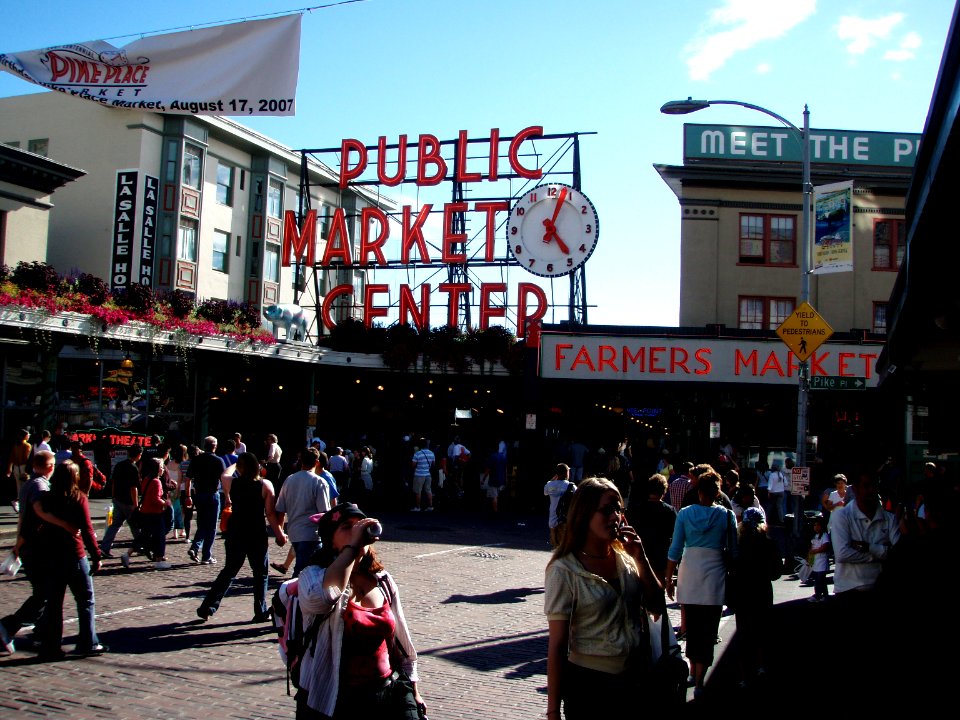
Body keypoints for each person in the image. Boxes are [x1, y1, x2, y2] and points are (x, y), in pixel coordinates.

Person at [544, 477, 663, 719]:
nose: (615, 517)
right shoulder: (564, 569)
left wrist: (641, 559)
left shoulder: (626, 560)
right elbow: (557, 645)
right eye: (606, 510)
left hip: (635, 680)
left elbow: (656, 605)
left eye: (619, 509)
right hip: (591, 686)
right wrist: (553, 710)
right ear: (585, 515)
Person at [295, 503, 425, 719]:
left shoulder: (381, 579)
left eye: (360, 526)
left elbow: (401, 640)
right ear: (330, 540)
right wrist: (352, 549)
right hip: (336, 698)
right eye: (347, 527)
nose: (357, 532)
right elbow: (323, 598)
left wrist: (414, 690)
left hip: (388, 689)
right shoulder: (312, 575)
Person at [664, 471, 737, 698]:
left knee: (692, 627)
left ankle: (693, 670)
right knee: (708, 629)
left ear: (698, 491)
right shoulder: (726, 516)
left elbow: (675, 549)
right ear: (717, 493)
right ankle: (700, 679)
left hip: (690, 571)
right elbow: (734, 550)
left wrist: (668, 578)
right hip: (714, 573)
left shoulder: (685, 514)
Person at [197, 453, 287, 622]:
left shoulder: (233, 482)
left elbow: (224, 475)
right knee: (260, 573)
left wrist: (234, 465)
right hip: (256, 532)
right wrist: (279, 533)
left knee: (229, 571)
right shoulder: (265, 485)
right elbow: (270, 513)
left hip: (236, 531)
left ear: (240, 468)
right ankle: (259, 611)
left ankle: (207, 606)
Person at [37, 460, 105, 659]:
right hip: (74, 554)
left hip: (52, 554)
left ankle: (51, 645)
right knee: (85, 599)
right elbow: (87, 529)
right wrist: (96, 555)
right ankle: (87, 642)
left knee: (54, 603)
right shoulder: (78, 498)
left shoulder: (47, 498)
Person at [0, 450, 57, 655]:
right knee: (43, 592)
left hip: (28, 545)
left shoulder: (28, 485)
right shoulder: (40, 487)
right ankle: (9, 625)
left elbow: (24, 519)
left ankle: (41, 632)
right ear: (50, 467)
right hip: (36, 547)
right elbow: (36, 519)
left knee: (45, 591)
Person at [730, 507, 782, 686]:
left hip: (742, 591)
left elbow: (731, 567)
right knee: (763, 630)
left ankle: (744, 675)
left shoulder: (737, 544)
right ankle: (762, 667)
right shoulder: (769, 543)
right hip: (762, 590)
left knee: (743, 633)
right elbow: (776, 573)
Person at [830, 471, 899, 595]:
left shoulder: (890, 519)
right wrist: (878, 554)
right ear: (855, 489)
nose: (871, 490)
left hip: (880, 587)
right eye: (866, 486)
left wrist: (867, 547)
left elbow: (898, 554)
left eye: (874, 486)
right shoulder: (841, 516)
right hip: (848, 589)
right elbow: (842, 554)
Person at [275, 447, 331, 577]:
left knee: (304, 569)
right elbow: (324, 512)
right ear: (317, 462)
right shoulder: (319, 482)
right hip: (311, 533)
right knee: (303, 573)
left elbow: (280, 509)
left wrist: (280, 531)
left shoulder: (289, 479)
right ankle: (290, 595)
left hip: (294, 532)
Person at [627, 473, 677, 584]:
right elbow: (674, 533)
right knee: (659, 586)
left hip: (642, 552)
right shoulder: (669, 511)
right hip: (661, 554)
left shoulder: (637, 509)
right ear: (664, 491)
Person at [122, 457, 170, 570]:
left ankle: (127, 554)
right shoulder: (156, 481)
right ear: (157, 469)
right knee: (160, 537)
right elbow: (155, 499)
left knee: (143, 536)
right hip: (155, 513)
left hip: (145, 512)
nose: (163, 470)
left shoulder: (146, 479)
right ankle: (158, 560)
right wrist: (165, 503)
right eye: (161, 467)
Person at [186, 436, 226, 565]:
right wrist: (229, 497)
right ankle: (206, 555)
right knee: (212, 526)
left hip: (199, 495)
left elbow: (188, 478)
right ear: (215, 446)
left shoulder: (196, 460)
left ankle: (195, 547)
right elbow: (224, 480)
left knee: (202, 524)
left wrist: (188, 496)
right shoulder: (218, 460)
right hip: (212, 495)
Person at [100, 444, 142, 558]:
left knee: (114, 525)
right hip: (128, 501)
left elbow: (113, 482)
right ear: (138, 455)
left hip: (118, 498)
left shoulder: (119, 465)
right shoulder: (133, 468)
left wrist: (113, 496)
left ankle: (105, 547)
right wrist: (135, 504)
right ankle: (141, 545)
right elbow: (134, 488)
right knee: (135, 525)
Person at [543, 463, 574, 547]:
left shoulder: (549, 485)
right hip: (565, 519)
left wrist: (553, 479)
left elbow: (545, 492)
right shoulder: (570, 486)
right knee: (564, 545)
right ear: (567, 473)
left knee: (555, 545)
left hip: (552, 519)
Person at [6, 428, 32, 512]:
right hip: (24, 467)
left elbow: (11, 457)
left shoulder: (16, 445)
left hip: (16, 467)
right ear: (25, 436)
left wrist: (9, 468)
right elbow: (26, 458)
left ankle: (18, 502)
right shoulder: (27, 445)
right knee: (26, 487)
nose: (29, 436)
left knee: (19, 487)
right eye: (28, 435)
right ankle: (20, 503)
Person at [808, 516, 831, 602]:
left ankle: (821, 595)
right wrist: (810, 560)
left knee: (821, 579)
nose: (816, 527)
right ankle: (821, 594)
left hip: (822, 561)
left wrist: (816, 551)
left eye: (818, 525)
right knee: (817, 579)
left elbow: (825, 546)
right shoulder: (814, 536)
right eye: (815, 525)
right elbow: (811, 549)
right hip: (816, 562)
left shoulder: (824, 535)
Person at [410, 439, 435, 512]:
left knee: (418, 491)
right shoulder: (431, 453)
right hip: (428, 474)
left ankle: (418, 507)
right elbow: (433, 464)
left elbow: (413, 465)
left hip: (419, 474)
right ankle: (430, 506)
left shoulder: (417, 454)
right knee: (428, 490)